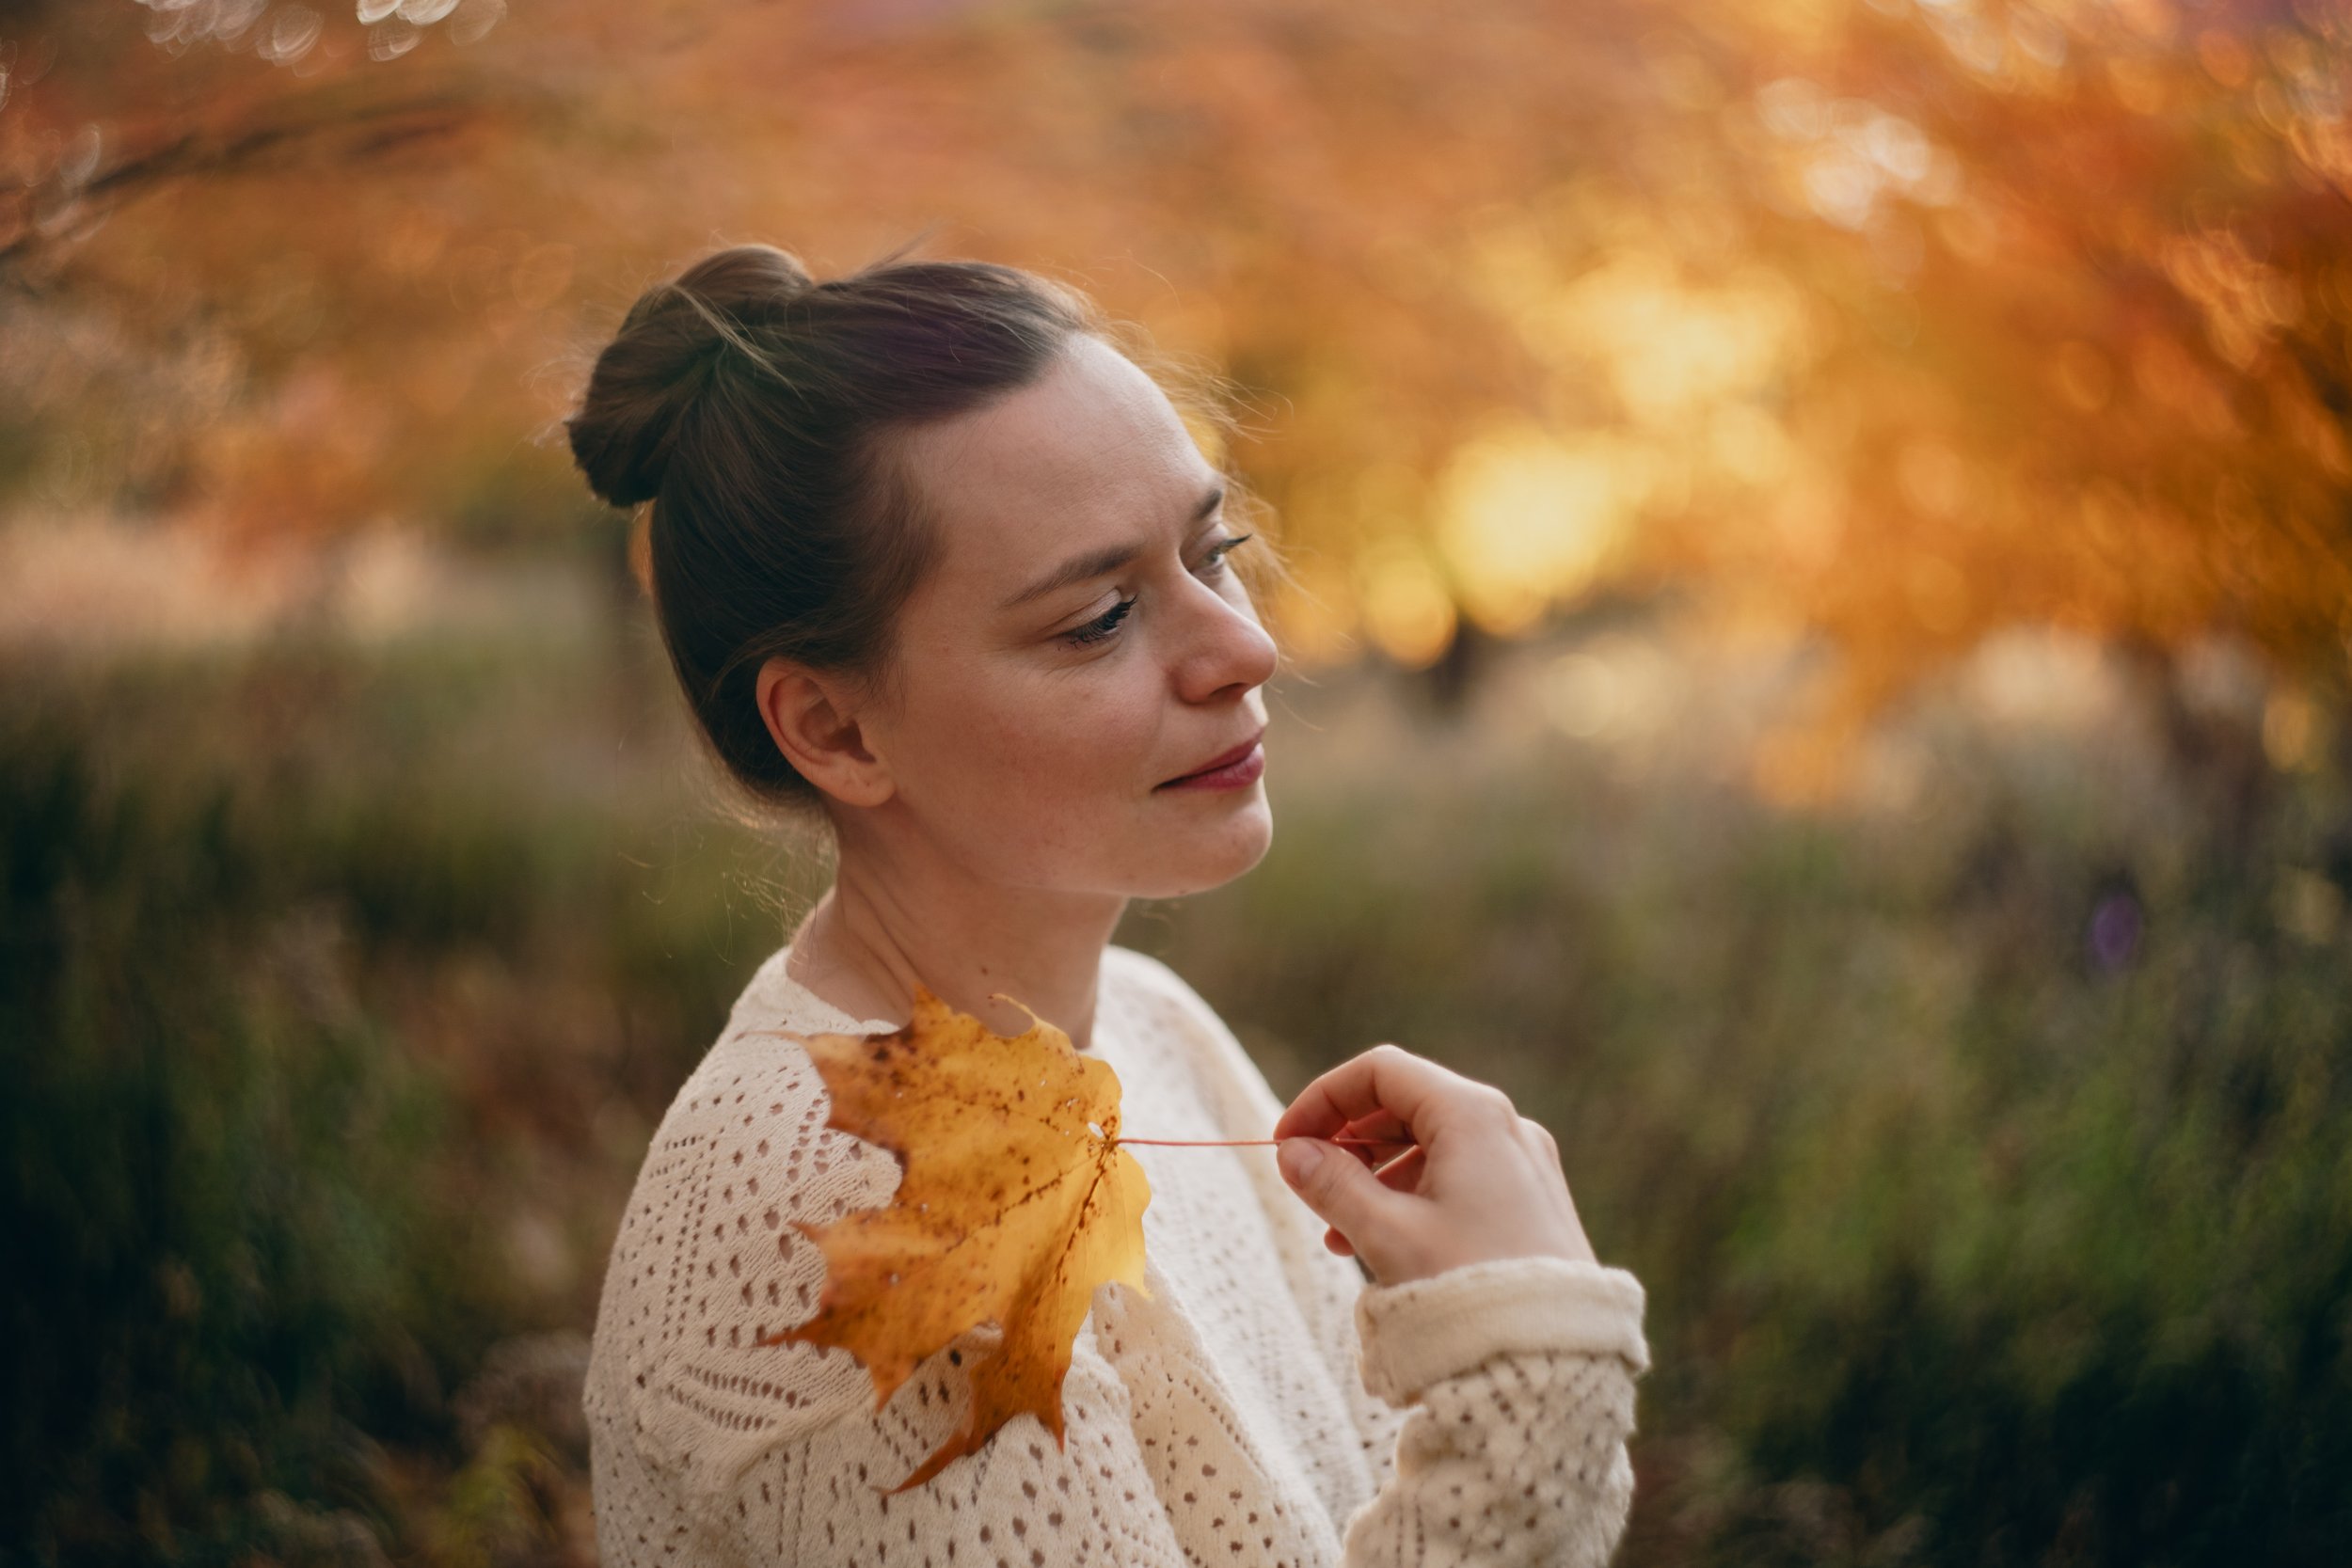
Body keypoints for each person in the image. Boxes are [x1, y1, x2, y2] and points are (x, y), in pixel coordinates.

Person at [564, 243, 1650, 1567]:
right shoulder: (837, 1207)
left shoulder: (1152, 1030)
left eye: (1216, 550)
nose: (1244, 646)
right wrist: (1528, 1360)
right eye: (1096, 619)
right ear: (836, 728)